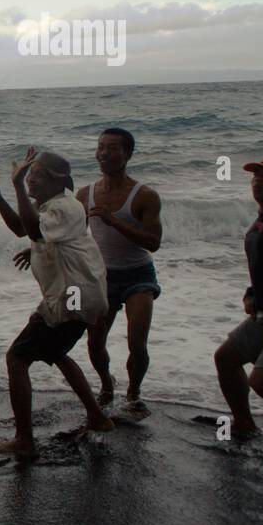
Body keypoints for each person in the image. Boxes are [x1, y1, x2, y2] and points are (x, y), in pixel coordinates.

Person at [0, 150, 114, 457]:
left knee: (17, 359)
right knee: (57, 352)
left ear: (57, 180)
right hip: (78, 296)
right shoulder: (53, 207)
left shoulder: (65, 206)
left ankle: (25, 441)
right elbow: (22, 228)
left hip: (70, 299)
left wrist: (15, 186)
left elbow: (35, 229)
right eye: (30, 173)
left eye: (36, 174)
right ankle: (97, 416)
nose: (31, 179)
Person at [75, 128, 163, 407]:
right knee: (94, 343)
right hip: (103, 276)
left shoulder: (144, 195)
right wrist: (39, 247)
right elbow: (74, 236)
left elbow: (153, 242)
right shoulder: (85, 194)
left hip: (139, 275)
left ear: (127, 154)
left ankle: (134, 391)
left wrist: (115, 222)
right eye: (100, 147)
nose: (104, 153)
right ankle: (106, 384)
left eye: (112, 148)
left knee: (137, 343)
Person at [213, 155, 263, 436]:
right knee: (226, 358)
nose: (258, 181)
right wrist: (252, 294)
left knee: (262, 381)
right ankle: (245, 424)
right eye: (255, 176)